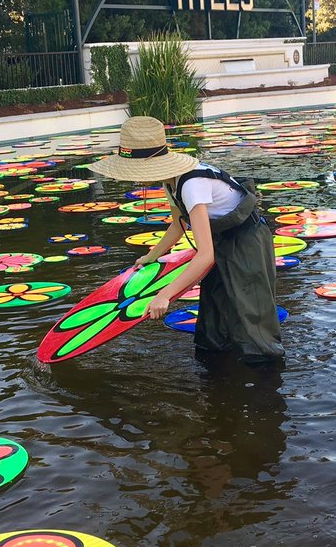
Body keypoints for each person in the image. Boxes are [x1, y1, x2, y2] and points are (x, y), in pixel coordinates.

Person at [88, 116, 284, 365]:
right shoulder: (172, 181)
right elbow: (179, 224)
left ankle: (266, 383)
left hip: (247, 240)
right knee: (214, 318)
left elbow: (205, 256)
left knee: (251, 317)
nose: (135, 179)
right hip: (219, 239)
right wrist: (152, 256)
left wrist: (165, 295)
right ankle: (217, 373)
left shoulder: (192, 185)